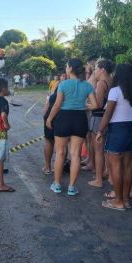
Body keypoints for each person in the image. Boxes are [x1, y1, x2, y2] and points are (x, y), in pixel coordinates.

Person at [46, 58, 98, 196]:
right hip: (80, 119)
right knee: (75, 154)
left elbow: (57, 105)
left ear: (70, 69)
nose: (66, 68)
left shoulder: (64, 84)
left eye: (67, 66)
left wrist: (49, 118)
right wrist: (83, 105)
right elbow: (95, 105)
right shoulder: (87, 86)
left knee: (60, 153)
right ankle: (71, 187)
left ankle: (57, 185)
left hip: (64, 118)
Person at [96, 64, 132, 211]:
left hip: (118, 130)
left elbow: (108, 114)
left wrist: (100, 130)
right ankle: (126, 199)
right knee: (128, 165)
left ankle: (118, 201)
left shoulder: (115, 91)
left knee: (115, 166)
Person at [88, 59, 114, 188]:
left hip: (99, 118)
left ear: (102, 69)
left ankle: (98, 179)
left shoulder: (101, 83)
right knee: (106, 150)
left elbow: (97, 105)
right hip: (109, 118)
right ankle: (107, 173)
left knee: (98, 150)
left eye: (97, 68)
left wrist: (85, 105)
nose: (95, 71)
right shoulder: (112, 81)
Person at [42, 73, 66, 175]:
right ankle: (61, 166)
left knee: (49, 142)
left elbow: (45, 110)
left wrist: (46, 118)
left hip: (49, 118)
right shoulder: (67, 95)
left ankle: (47, 167)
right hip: (61, 118)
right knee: (62, 145)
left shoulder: (51, 96)